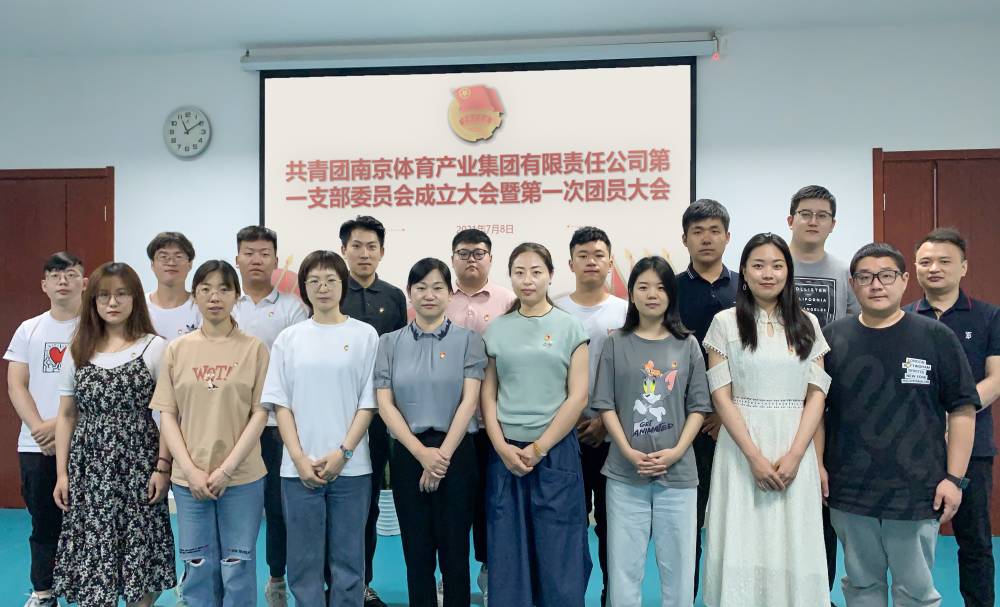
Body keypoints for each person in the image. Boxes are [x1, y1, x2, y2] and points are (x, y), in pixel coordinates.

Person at [823, 242, 980, 607]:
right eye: (865, 277)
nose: (876, 284)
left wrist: (954, 479)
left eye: (886, 275)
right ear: (852, 283)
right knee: (861, 587)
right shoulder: (832, 338)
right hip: (850, 491)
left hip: (917, 491)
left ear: (905, 280)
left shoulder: (935, 336)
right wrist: (818, 465)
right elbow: (816, 410)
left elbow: (962, 409)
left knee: (916, 592)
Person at [702, 233, 831, 607]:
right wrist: (754, 457)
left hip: (795, 443)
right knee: (743, 535)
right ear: (744, 272)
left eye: (777, 265)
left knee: (794, 537)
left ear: (788, 272)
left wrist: (797, 455)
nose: (768, 273)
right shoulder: (725, 323)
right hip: (741, 447)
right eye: (758, 265)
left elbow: (816, 394)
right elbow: (721, 396)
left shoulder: (807, 323)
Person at [51, 262, 175, 607]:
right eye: (103, 295)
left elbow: (169, 412)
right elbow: (66, 415)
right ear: (92, 301)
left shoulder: (155, 348)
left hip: (139, 463)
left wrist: (162, 467)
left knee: (142, 548)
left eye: (122, 294)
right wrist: (62, 474)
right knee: (93, 553)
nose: (113, 302)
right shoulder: (78, 348)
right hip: (89, 468)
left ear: (135, 298)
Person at [151, 260, 270, 607]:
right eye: (205, 289)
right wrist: (189, 470)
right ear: (195, 296)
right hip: (190, 481)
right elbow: (167, 414)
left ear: (236, 296)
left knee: (237, 566)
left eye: (223, 289)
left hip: (242, 478)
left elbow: (260, 413)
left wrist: (227, 469)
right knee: (197, 566)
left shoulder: (254, 349)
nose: (214, 297)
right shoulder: (177, 349)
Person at [262, 250, 379, 607]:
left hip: (352, 468)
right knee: (303, 562)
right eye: (314, 281)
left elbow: (369, 402)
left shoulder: (365, 335)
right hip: (299, 470)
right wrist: (298, 458)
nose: (323, 288)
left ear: (343, 285)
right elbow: (280, 404)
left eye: (330, 280)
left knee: (349, 561)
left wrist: (344, 452)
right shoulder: (289, 338)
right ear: (304, 288)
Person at [593, 256, 712, 607]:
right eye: (643, 287)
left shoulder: (687, 344)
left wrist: (676, 452)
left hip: (678, 474)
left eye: (660, 287)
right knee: (624, 568)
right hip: (624, 473)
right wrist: (628, 451)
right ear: (631, 294)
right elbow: (606, 404)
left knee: (679, 568)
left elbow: (699, 407)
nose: (652, 294)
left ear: (671, 294)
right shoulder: (616, 343)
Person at [481, 242, 592, 606]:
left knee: (559, 553)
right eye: (519, 272)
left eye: (536, 272)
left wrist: (540, 448)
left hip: (555, 454)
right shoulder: (497, 329)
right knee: (508, 553)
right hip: (506, 455)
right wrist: (501, 447)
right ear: (510, 277)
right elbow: (488, 395)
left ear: (550, 275)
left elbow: (578, 396)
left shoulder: (570, 327)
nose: (527, 280)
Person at [376, 258, 486, 607]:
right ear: (409, 293)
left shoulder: (469, 340)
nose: (429, 295)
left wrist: (441, 458)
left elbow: (469, 402)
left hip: (457, 452)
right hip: (409, 453)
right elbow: (385, 405)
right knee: (417, 552)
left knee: (455, 553)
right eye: (421, 287)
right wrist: (422, 454)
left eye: (438, 287)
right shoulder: (389, 343)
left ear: (450, 293)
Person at [904, 228, 999, 607]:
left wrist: (955, 412)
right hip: (915, 449)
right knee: (911, 541)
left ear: (963, 267)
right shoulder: (903, 317)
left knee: (975, 541)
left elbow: (996, 378)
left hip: (973, 448)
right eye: (925, 261)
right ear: (914, 268)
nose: (934, 268)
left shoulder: (989, 316)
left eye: (944, 261)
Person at [786, 185, 860, 596]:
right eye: (805, 213)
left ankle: (819, 594)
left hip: (828, 401)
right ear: (790, 219)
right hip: (775, 400)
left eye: (822, 215)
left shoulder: (844, 273)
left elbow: (854, 329)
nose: (813, 221)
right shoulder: (773, 264)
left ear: (833, 224)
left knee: (822, 499)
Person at [232, 225, 308, 607]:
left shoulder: (294, 308)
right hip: (233, 425)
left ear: (276, 260)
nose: (256, 259)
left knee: (278, 509)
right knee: (231, 507)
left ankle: (277, 578)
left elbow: (295, 368)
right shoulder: (226, 305)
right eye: (249, 252)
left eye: (264, 253)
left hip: (277, 425)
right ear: (237, 259)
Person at [5, 252, 86, 607]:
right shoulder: (29, 329)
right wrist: (40, 427)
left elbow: (101, 385)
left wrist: (61, 425)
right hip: (36, 444)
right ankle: (43, 592)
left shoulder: (96, 329)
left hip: (84, 441)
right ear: (44, 285)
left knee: (87, 523)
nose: (62, 281)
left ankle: (87, 590)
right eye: (54, 275)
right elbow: (16, 384)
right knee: (43, 524)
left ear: (84, 282)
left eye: (70, 274)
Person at [554, 226, 627, 605]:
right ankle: (570, 596)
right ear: (570, 263)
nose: (591, 262)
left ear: (610, 262)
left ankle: (611, 596)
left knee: (613, 528)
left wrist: (604, 420)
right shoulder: (554, 310)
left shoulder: (626, 312)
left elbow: (634, 375)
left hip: (614, 437)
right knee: (569, 525)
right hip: (564, 437)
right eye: (582, 255)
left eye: (598, 255)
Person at [338, 215, 407, 607]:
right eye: (356, 246)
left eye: (371, 247)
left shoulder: (394, 297)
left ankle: (362, 582)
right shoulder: (332, 291)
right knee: (334, 501)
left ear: (382, 251)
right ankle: (331, 580)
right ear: (344, 250)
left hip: (380, 418)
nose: (364, 254)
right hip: (335, 414)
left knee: (366, 503)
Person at [445, 228, 515, 604]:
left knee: (493, 504)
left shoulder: (508, 301)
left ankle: (491, 574)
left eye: (478, 253)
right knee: (453, 505)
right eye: (463, 253)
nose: (471, 259)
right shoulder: (438, 298)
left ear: (490, 258)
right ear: (452, 258)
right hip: (449, 425)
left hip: (494, 424)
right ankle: (451, 576)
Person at [674, 199, 738, 597]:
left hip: (736, 422)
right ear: (684, 239)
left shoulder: (746, 287)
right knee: (687, 521)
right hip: (683, 422)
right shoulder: (670, 289)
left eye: (714, 231)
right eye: (697, 232)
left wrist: (722, 411)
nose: (707, 238)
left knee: (734, 519)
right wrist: (700, 411)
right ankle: (687, 596)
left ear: (728, 237)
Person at [145, 231, 201, 341]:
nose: (171, 262)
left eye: (178, 256)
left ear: (190, 264)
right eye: (163, 256)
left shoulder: (201, 306)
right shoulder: (139, 306)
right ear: (152, 264)